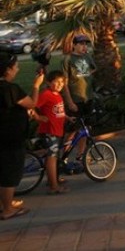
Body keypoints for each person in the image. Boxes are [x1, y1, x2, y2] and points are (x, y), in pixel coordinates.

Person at [0, 52, 43, 220]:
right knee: (10, 174)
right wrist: (37, 85)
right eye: (15, 66)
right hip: (11, 137)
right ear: (7, 70)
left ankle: (6, 202)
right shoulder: (11, 89)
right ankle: (7, 209)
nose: (17, 69)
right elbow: (32, 103)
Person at [34, 70, 71, 194]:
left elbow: (58, 111)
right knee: (52, 157)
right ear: (49, 83)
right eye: (57, 82)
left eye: (62, 82)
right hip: (50, 131)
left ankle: (53, 179)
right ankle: (53, 186)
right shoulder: (46, 94)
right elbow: (33, 106)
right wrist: (39, 118)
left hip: (57, 131)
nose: (60, 84)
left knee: (54, 156)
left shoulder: (57, 95)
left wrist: (67, 118)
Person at [61, 34, 96, 160]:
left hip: (87, 97)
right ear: (74, 45)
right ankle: (64, 156)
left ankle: (81, 154)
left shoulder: (87, 56)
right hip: (75, 99)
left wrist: (87, 75)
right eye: (81, 44)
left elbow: (93, 68)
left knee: (85, 128)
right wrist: (69, 101)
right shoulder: (68, 59)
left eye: (85, 44)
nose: (83, 46)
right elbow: (64, 82)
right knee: (72, 129)